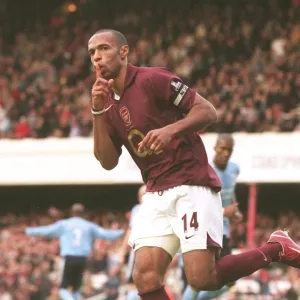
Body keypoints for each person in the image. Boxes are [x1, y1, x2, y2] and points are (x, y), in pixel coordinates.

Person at [89, 28, 300, 300]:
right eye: (92, 52)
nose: (97, 57)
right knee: (144, 277)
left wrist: (170, 130)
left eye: (104, 48)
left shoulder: (153, 79)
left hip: (191, 183)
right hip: (155, 192)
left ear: (123, 51)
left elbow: (207, 111)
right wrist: (96, 111)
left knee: (203, 279)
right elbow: (107, 162)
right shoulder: (106, 104)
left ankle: (276, 249)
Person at [182, 134, 243, 300]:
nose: (225, 153)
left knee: (230, 281)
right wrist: (225, 212)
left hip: (223, 231)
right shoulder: (204, 171)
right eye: (222, 148)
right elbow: (197, 204)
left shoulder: (234, 168)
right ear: (215, 148)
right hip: (205, 230)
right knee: (200, 279)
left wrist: (234, 210)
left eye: (229, 150)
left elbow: (230, 193)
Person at [25, 203, 124, 300]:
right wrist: (122, 232)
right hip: (83, 260)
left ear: (71, 212)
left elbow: (47, 230)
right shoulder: (89, 226)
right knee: (76, 289)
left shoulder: (64, 224)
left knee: (63, 289)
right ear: (83, 213)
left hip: (69, 258)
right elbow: (106, 234)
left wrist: (29, 231)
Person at [118, 185, 146, 300]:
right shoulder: (160, 208)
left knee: (133, 284)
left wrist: (123, 251)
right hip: (153, 250)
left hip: (140, 249)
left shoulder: (138, 209)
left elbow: (131, 230)